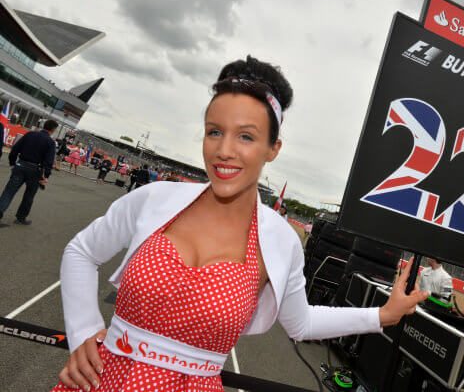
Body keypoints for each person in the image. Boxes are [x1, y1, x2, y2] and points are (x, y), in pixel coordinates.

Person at [51, 56, 429, 392]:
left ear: (273, 148)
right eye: (214, 131)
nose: (223, 150)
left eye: (245, 136)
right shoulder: (155, 198)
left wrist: (383, 314)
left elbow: (300, 323)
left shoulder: (281, 240)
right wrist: (83, 328)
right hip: (101, 379)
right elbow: (82, 251)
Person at [0, 120, 57, 225]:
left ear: (44, 126)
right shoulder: (50, 142)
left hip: (21, 165)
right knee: (29, 195)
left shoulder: (30, 134)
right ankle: (21, 217)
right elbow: (48, 161)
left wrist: (12, 163)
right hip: (35, 170)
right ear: (53, 130)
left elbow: (15, 149)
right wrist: (46, 175)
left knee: (9, 191)